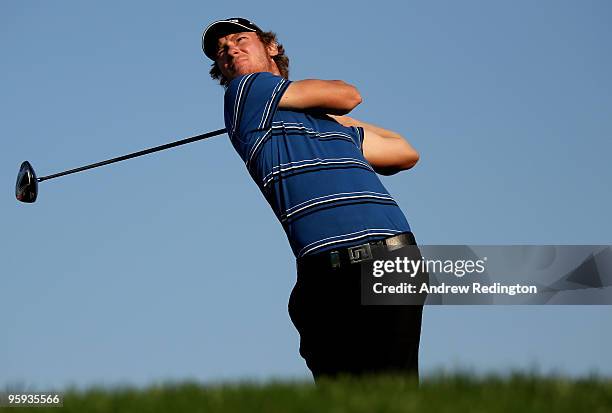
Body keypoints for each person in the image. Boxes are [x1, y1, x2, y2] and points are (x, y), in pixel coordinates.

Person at [202, 17, 425, 381]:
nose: (230, 50)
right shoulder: (245, 92)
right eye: (221, 51)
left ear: (271, 47)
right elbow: (348, 94)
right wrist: (327, 109)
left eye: (240, 40)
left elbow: (405, 152)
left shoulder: (332, 129)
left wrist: (330, 119)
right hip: (326, 273)